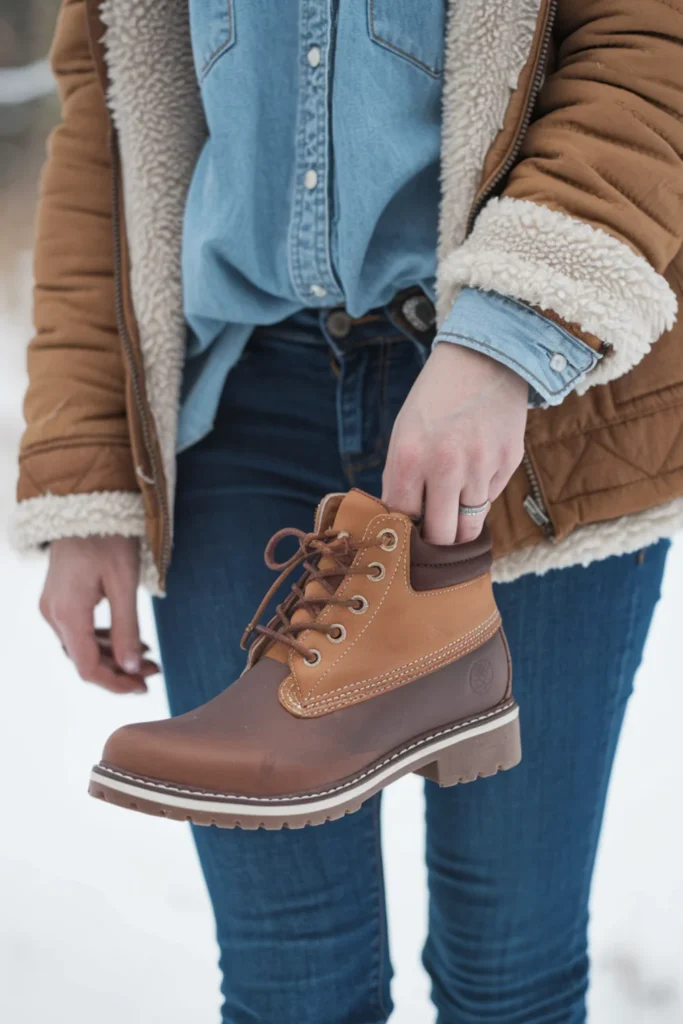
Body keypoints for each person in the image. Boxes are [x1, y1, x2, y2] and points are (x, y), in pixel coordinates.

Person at [14, 0, 683, 1020]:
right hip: (237, 404)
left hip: (528, 408)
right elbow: (109, 115)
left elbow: (648, 41)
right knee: (289, 988)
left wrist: (510, 332)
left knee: (510, 972)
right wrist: (84, 469)